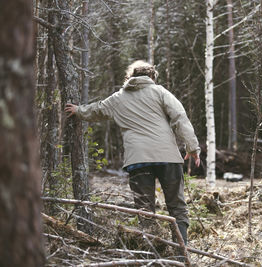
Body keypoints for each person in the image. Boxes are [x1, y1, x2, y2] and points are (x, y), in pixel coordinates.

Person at [65, 60, 200, 245]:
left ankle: (152, 253)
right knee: (177, 206)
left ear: (130, 77)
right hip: (167, 157)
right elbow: (180, 117)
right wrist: (192, 148)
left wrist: (78, 110)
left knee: (145, 210)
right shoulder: (160, 92)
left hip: (138, 160)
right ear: (151, 76)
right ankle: (181, 253)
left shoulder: (118, 97)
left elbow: (97, 110)